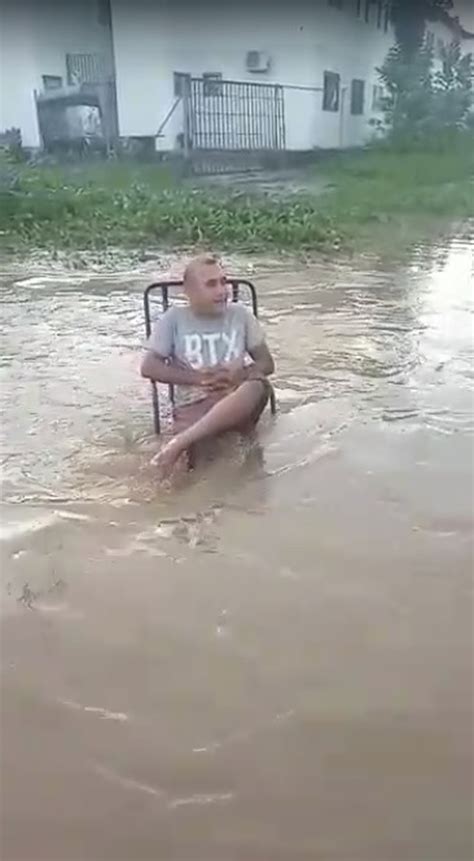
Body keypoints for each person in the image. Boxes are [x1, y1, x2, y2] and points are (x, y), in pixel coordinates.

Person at [141, 254, 275, 475]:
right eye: (211, 284)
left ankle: (180, 442)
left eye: (224, 282)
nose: (222, 290)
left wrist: (239, 375)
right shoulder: (173, 319)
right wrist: (200, 378)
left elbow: (267, 363)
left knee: (258, 385)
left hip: (238, 399)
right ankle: (186, 444)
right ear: (189, 292)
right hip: (195, 406)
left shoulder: (240, 315)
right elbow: (149, 367)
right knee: (200, 476)